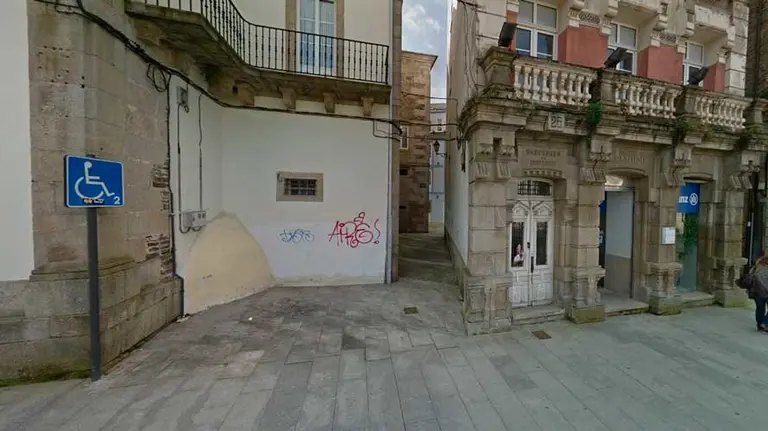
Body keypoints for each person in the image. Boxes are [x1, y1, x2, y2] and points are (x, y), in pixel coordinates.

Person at [743, 254, 768, 332]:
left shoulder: (755, 268)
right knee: (761, 309)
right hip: (765, 292)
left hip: (756, 292)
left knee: (760, 309)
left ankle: (759, 325)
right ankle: (764, 323)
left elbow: (749, 280)